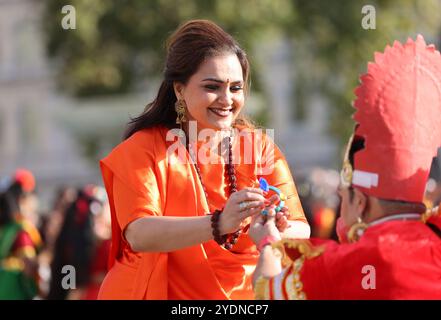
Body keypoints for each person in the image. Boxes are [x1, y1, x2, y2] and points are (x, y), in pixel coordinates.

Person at [98, 19, 310, 300]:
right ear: (179, 90)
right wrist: (220, 223)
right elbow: (139, 232)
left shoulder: (259, 148)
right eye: (213, 87)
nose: (226, 99)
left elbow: (300, 227)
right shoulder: (143, 149)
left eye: (236, 88)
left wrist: (274, 229)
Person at [250, 35, 441, 300]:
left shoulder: (350, 262)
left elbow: (267, 291)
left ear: (360, 201)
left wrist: (267, 242)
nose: (340, 205)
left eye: (343, 195)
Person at [0, 169, 41, 299]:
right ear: (23, 200)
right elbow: (28, 264)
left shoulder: (6, 227)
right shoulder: (22, 230)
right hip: (15, 288)